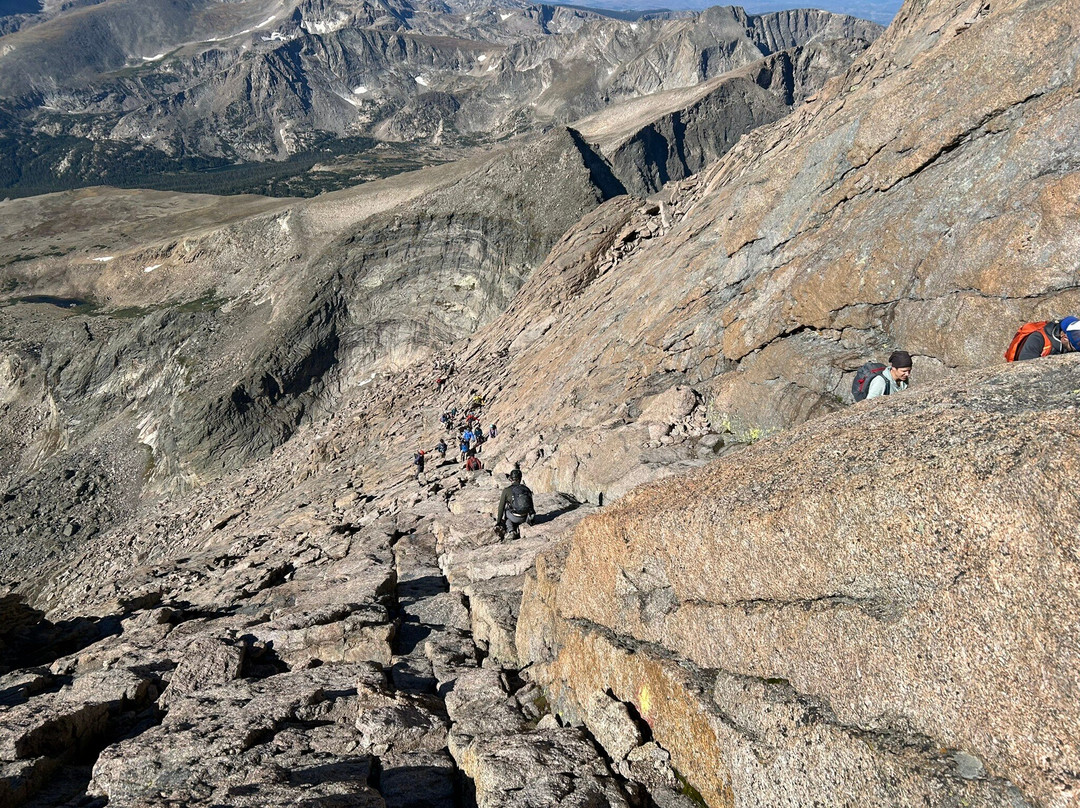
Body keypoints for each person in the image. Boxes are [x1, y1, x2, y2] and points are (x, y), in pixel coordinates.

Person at [1006, 316, 1080, 360]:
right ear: (1065, 337)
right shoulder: (1037, 339)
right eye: (1076, 347)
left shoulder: (1073, 336)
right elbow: (1024, 367)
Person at [496, 468, 535, 540]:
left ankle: (511, 531)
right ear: (520, 478)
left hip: (515, 517)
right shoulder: (526, 488)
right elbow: (531, 504)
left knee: (506, 511)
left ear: (511, 479)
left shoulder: (506, 490)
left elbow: (501, 507)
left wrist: (498, 522)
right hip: (526, 517)